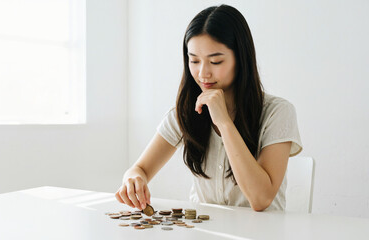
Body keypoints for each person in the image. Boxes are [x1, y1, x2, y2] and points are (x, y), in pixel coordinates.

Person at [115, 4, 302, 212]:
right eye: (194, 60)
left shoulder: (278, 113)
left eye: (215, 61)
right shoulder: (186, 112)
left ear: (241, 59)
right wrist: (134, 178)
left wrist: (224, 122)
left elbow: (260, 199)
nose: (203, 73)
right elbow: (139, 169)